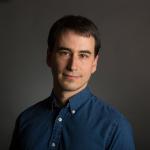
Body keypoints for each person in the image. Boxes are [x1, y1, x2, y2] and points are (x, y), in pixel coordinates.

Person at [10, 15, 135, 150]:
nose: (73, 66)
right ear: (49, 57)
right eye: (65, 53)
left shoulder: (115, 127)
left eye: (83, 55)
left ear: (94, 63)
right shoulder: (26, 120)